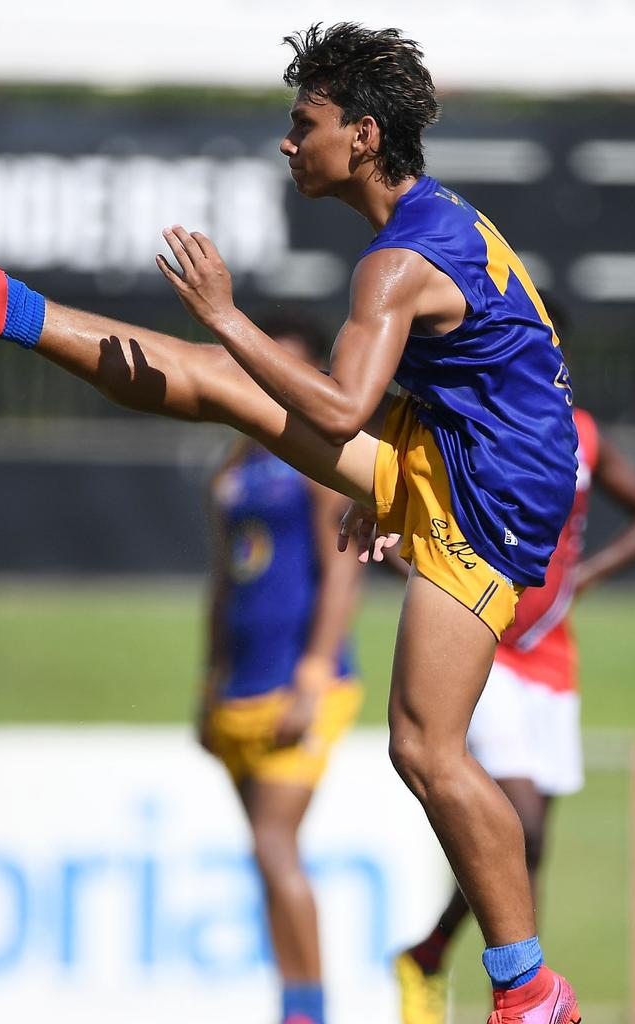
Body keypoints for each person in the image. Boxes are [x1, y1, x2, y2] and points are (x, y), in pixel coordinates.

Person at [0, 22, 581, 1022]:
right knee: (228, 386)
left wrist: (227, 313)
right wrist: (382, 477)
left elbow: (341, 409)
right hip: (458, 449)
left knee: (426, 747)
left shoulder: (395, 263)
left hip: (498, 497)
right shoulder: (422, 230)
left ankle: (533, 993)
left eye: (304, 123)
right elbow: (447, 377)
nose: (288, 141)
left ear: (365, 136)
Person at [395, 299, 635, 1024]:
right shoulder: (476, 428)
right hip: (490, 648)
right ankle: (517, 998)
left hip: (552, 661)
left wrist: (589, 575)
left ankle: (436, 957)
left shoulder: (585, 438)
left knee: (527, 853)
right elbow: (412, 494)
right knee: (522, 822)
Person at [199, 311, 363, 1024]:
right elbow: (223, 579)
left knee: (274, 845)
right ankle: (290, 1002)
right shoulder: (239, 459)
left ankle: (309, 1010)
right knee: (266, 858)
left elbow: (342, 568)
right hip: (240, 684)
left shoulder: (316, 454)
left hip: (300, 682)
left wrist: (316, 670)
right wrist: (208, 683)